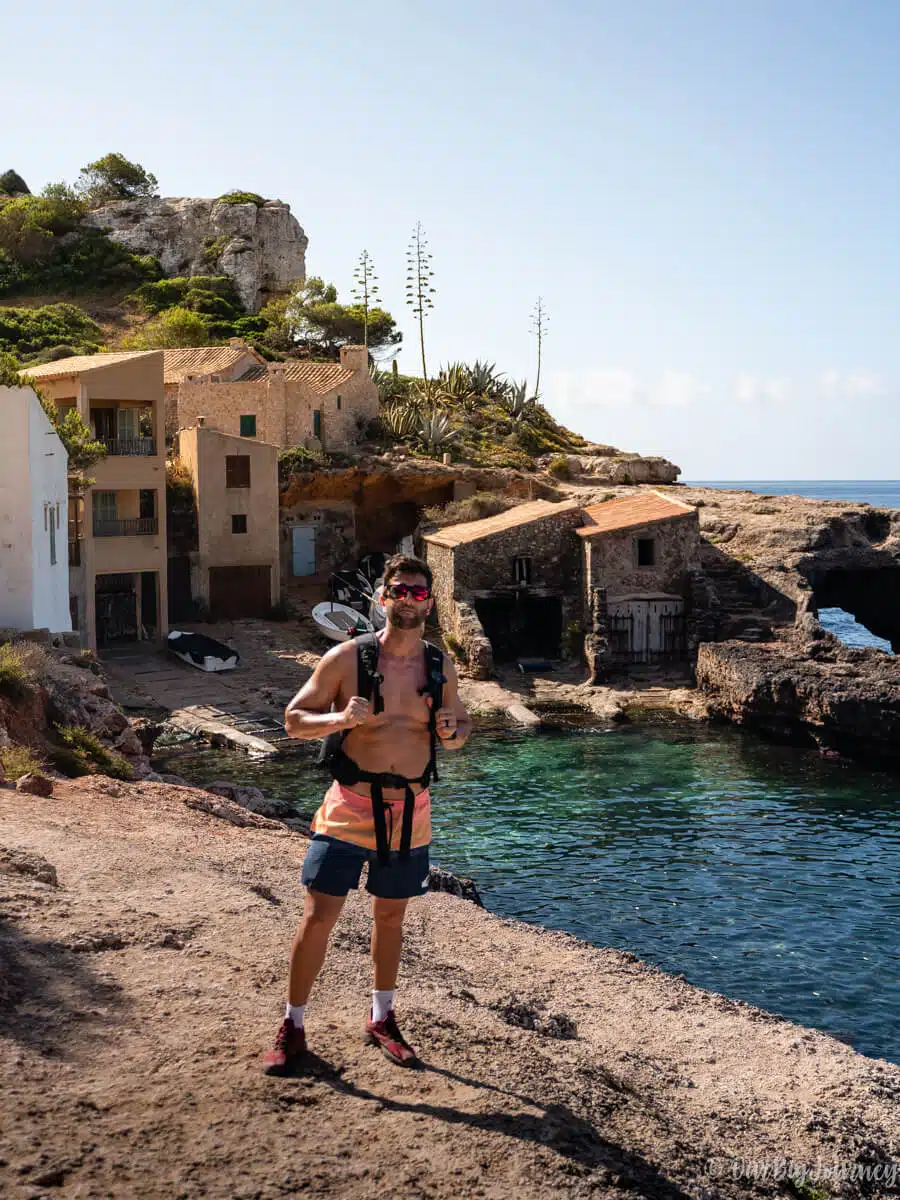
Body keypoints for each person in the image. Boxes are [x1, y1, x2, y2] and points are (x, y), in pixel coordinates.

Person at [263, 554, 472, 1074]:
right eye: (400, 590)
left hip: (411, 811)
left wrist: (452, 732)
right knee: (318, 917)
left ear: (430, 603)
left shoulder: (438, 665)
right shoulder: (346, 658)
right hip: (348, 807)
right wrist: (340, 717)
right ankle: (292, 1025)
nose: (409, 599)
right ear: (383, 597)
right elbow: (293, 720)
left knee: (391, 917)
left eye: (419, 593)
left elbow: (461, 731)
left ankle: (381, 1017)